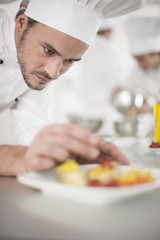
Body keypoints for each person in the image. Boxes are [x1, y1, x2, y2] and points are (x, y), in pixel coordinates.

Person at [0, 0, 144, 176]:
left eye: (69, 61)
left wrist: (57, 156)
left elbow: (30, 121)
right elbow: (23, 158)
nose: (53, 73)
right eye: (48, 51)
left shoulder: (40, 70)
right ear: (21, 24)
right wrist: (19, 159)